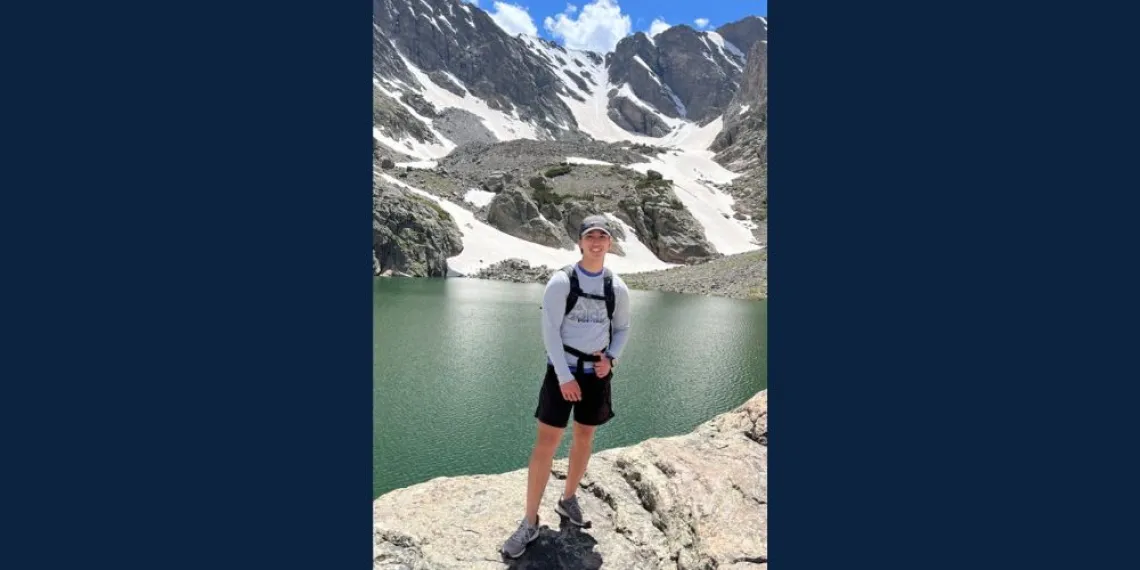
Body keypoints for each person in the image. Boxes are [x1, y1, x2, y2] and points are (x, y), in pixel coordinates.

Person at [501, 214, 632, 559]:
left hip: (597, 375)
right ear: (580, 242)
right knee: (547, 442)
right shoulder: (561, 281)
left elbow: (622, 330)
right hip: (563, 371)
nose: (597, 242)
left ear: (610, 243)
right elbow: (550, 332)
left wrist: (612, 360)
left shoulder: (616, 288)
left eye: (603, 236)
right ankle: (530, 520)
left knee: (585, 437)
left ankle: (568, 498)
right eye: (590, 236)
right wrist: (564, 376)